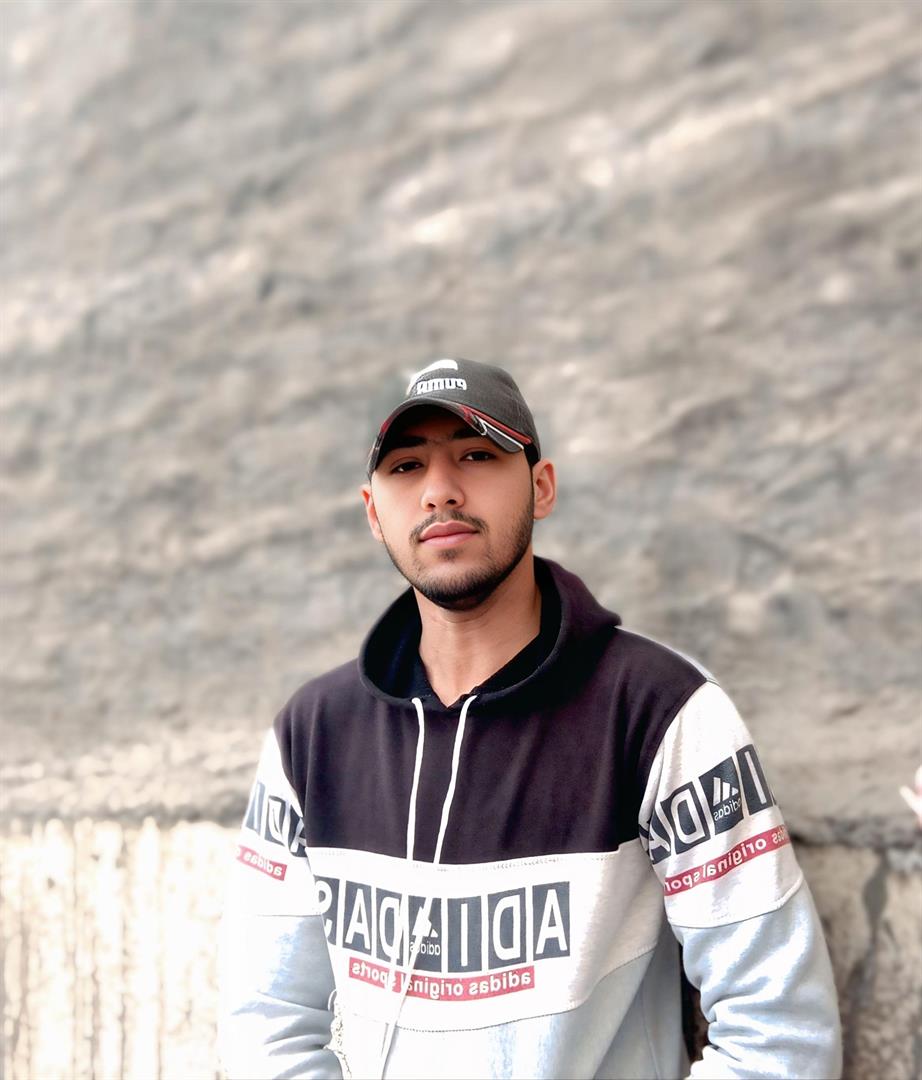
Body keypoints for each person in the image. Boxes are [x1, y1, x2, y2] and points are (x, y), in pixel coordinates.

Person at [219, 358, 842, 1080]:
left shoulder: (659, 711)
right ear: (373, 512)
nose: (440, 490)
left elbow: (781, 1035)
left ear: (541, 487)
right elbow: (264, 1023)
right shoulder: (312, 735)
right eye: (407, 466)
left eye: (477, 455)